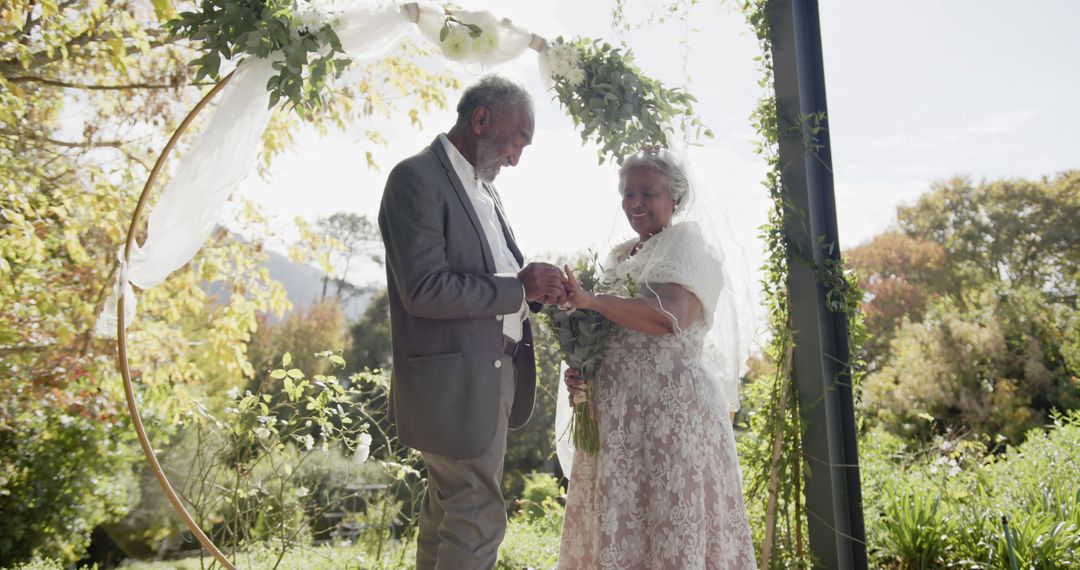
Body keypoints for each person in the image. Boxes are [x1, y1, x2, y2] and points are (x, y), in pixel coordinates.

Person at [377, 75, 566, 570]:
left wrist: (538, 291)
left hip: (491, 376)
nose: (516, 157)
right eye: (517, 140)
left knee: (450, 512)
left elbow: (499, 273)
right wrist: (519, 288)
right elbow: (424, 289)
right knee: (478, 516)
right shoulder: (415, 178)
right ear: (481, 119)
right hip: (455, 383)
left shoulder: (485, 190)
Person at [557, 149, 757, 569]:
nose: (635, 202)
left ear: (676, 198)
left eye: (648, 192)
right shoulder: (618, 257)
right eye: (628, 193)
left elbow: (671, 317)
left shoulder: (689, 243)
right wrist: (585, 372)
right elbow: (609, 328)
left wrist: (592, 300)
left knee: (670, 525)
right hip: (617, 418)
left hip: (670, 412)